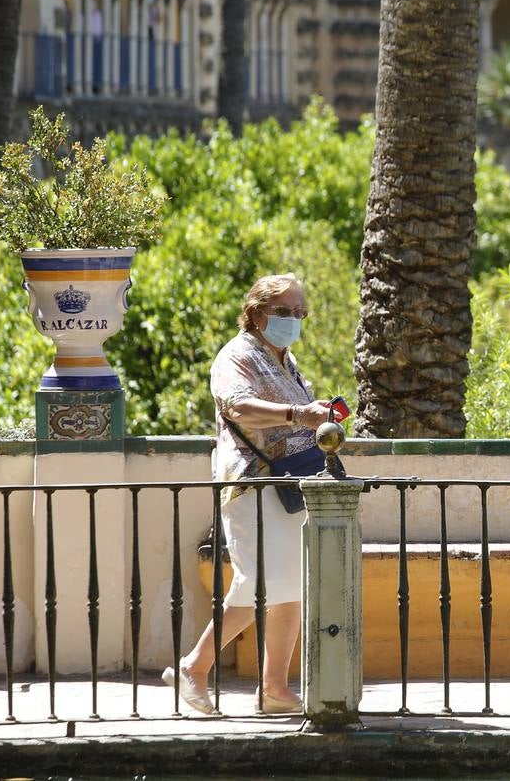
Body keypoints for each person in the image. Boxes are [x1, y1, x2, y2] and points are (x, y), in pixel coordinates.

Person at [163, 274, 335, 715]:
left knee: (291, 583)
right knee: (258, 582)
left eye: (300, 313)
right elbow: (237, 407)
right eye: (284, 312)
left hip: (289, 486)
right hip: (252, 484)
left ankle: (274, 689)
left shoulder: (285, 359)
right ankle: (193, 667)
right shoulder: (236, 356)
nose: (293, 320)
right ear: (257, 313)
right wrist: (300, 414)